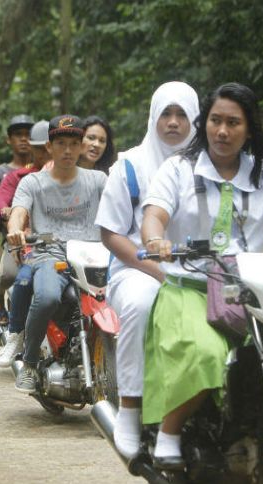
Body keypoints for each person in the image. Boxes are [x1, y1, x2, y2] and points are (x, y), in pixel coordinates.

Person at [139, 82, 263, 470]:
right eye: (215, 121)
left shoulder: (261, 173)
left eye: (233, 122)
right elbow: (155, 214)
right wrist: (155, 239)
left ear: (249, 129)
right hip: (191, 287)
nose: (223, 131)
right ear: (205, 123)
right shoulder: (178, 168)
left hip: (250, 290)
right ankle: (170, 431)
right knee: (206, 353)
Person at [94, 81, 200, 459]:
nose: (173, 123)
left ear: (196, 119)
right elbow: (110, 233)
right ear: (153, 118)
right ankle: (131, 405)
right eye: (165, 114)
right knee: (141, 304)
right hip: (134, 267)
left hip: (197, 267)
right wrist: (156, 269)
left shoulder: (208, 166)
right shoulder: (130, 165)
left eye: (181, 115)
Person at [7, 114, 108, 392]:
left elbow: (121, 210)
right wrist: (15, 229)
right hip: (49, 255)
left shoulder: (98, 180)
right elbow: (18, 212)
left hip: (92, 256)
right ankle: (28, 363)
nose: (67, 150)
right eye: (60, 143)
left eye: (74, 143)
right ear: (49, 147)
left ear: (81, 146)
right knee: (48, 295)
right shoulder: (33, 183)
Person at [0, 119, 51, 368]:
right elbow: (3, 201)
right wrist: (11, 220)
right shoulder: (19, 177)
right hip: (28, 243)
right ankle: (15, 333)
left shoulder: (78, 177)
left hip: (61, 245)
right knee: (14, 277)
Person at [0, 114, 35, 324]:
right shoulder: (1, 173)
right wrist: (8, 215)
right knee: (8, 275)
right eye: (18, 135)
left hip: (43, 234)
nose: (23, 139)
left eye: (28, 135)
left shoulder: (45, 169)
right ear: (9, 140)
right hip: (14, 236)